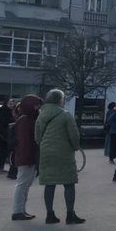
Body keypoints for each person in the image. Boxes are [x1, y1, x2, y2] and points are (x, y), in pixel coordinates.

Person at [35, 89, 84, 224]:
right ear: (60, 100)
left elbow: (37, 135)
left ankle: (50, 214)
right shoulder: (65, 115)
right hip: (64, 152)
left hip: (46, 152)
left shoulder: (41, 115)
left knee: (49, 184)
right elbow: (74, 135)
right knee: (68, 183)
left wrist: (43, 145)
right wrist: (75, 147)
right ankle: (70, 214)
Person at [11, 94, 42, 221]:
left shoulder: (25, 118)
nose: (38, 108)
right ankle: (18, 210)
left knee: (25, 184)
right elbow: (25, 142)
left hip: (26, 156)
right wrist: (29, 157)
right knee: (23, 184)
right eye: (36, 105)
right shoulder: (26, 120)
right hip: (26, 157)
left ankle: (21, 210)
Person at [0, 101, 14, 174]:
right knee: (2, 152)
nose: (12, 105)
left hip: (3, 134)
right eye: (10, 104)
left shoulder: (6, 112)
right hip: (3, 135)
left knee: (3, 152)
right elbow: (4, 124)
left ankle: (0, 167)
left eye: (12, 103)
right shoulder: (5, 113)